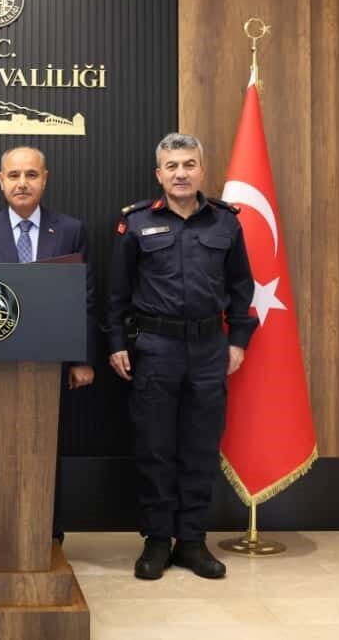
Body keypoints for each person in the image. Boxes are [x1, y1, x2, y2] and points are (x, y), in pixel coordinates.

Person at [107, 132, 257, 580]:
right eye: (171, 166)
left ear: (201, 170)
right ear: (159, 174)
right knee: (155, 447)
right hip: (155, 348)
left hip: (209, 348)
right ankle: (157, 540)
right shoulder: (136, 223)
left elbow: (241, 287)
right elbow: (117, 293)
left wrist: (238, 340)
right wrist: (116, 343)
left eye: (189, 164)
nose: (180, 173)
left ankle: (192, 541)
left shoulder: (225, 223)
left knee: (200, 447)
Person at [0, 145, 97, 543]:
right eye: (14, 175)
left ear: (45, 179)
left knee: (45, 448)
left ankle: (47, 534)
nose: (22, 183)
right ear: (0, 181)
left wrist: (81, 358)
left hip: (50, 363)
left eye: (31, 175)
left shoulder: (70, 230)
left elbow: (84, 298)